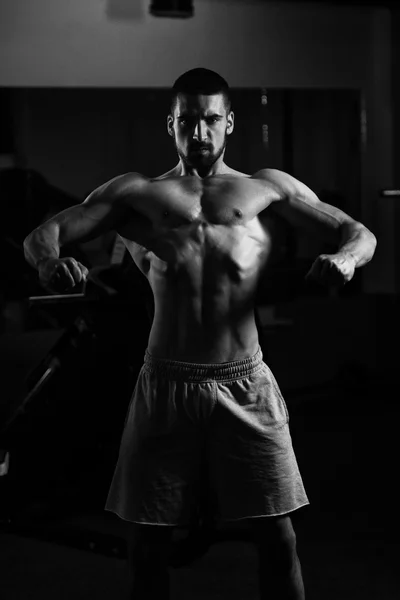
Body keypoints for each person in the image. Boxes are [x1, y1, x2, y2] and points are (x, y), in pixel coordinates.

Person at [23, 68, 377, 600]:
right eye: (188, 120)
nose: (201, 131)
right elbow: (43, 234)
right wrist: (50, 263)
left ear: (230, 121)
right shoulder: (137, 194)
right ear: (171, 124)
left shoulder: (266, 188)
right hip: (165, 384)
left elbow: (359, 232)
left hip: (245, 383)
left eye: (212, 119)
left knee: (278, 537)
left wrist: (345, 261)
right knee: (147, 546)